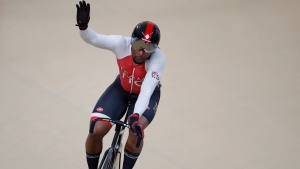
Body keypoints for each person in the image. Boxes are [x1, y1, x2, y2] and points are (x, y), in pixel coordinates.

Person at [75, 1, 166, 169]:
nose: (141, 52)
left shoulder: (158, 59)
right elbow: (94, 38)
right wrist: (84, 27)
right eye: (138, 46)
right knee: (95, 130)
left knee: (135, 134)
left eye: (148, 49)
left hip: (146, 96)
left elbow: (146, 91)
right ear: (132, 41)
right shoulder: (120, 44)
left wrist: (135, 117)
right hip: (120, 90)